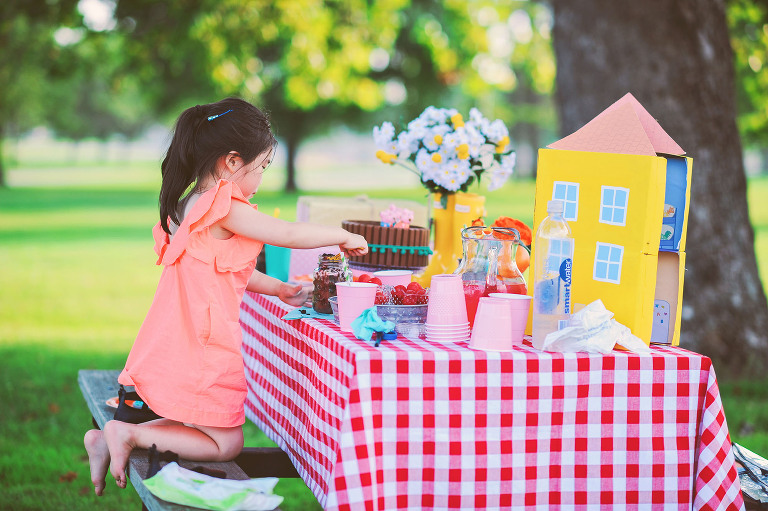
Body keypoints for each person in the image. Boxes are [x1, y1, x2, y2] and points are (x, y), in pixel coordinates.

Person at [83, 97, 368, 495]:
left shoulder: (190, 204)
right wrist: (342, 234)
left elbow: (228, 270)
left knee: (196, 422)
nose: (263, 178)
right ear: (232, 162)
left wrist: (279, 288)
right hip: (204, 345)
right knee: (227, 442)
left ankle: (109, 438)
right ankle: (127, 435)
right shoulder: (223, 204)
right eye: (263, 166)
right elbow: (286, 234)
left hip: (178, 339)